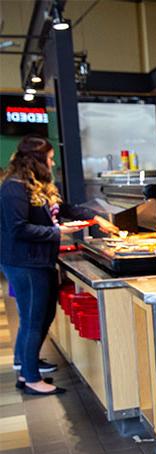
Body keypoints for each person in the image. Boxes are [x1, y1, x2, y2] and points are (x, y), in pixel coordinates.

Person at [0, 136, 116, 395]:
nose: (52, 164)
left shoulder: (37, 186)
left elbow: (65, 209)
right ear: (36, 160)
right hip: (24, 262)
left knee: (40, 315)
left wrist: (96, 219)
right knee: (33, 318)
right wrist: (58, 232)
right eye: (50, 159)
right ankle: (30, 378)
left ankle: (27, 364)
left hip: (39, 259)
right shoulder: (14, 188)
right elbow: (18, 229)